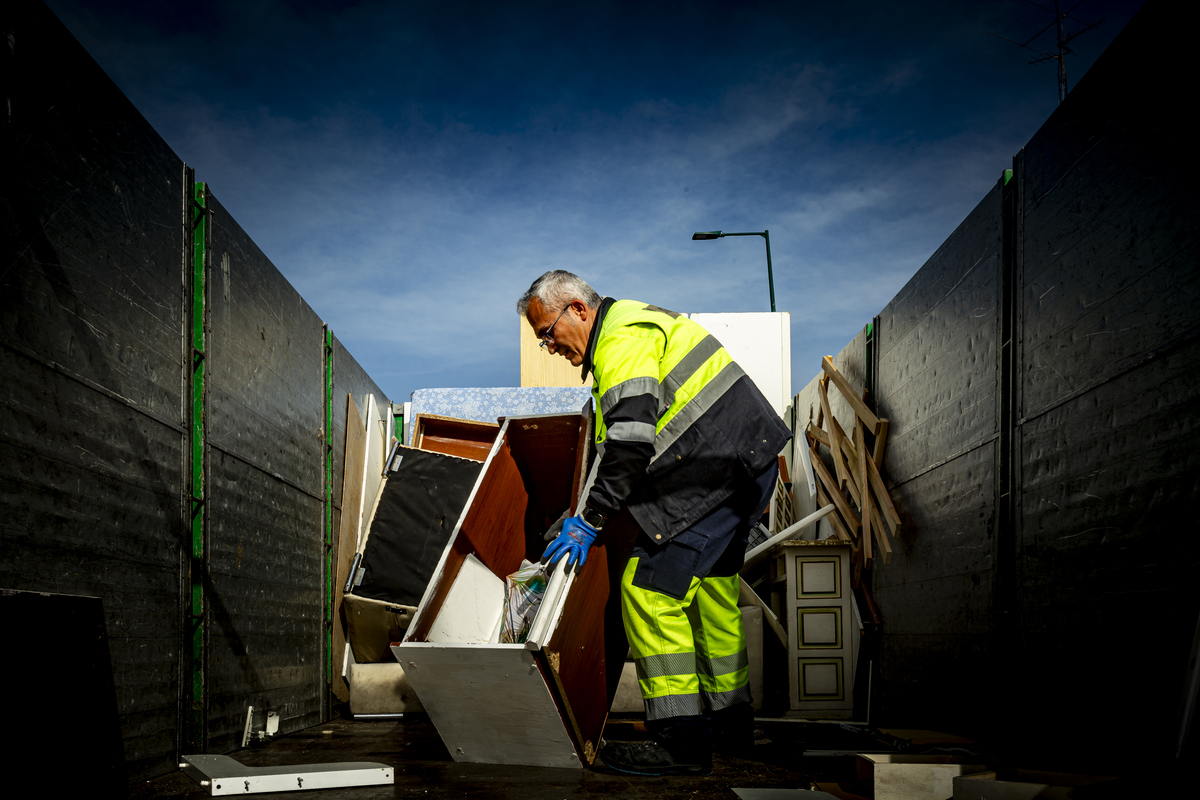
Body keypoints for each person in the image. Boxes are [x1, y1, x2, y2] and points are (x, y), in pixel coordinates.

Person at [517, 270, 791, 776]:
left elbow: (630, 442)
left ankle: (680, 743)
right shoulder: (629, 334)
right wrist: (579, 513)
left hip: (715, 477)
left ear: (578, 308)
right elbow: (612, 450)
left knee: (647, 591)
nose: (547, 346)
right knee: (711, 595)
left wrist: (591, 520)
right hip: (740, 468)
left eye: (547, 332)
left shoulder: (621, 339)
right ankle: (732, 729)